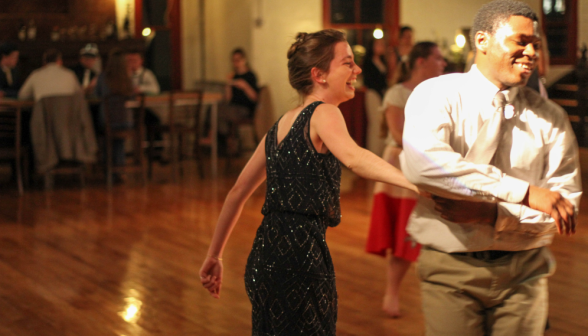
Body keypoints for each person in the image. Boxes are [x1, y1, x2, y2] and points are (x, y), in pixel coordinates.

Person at [199, 29, 420, 335]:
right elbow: (355, 158)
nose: (356, 70)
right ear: (319, 75)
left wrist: (214, 256)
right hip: (300, 258)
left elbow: (237, 193)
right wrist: (418, 183)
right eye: (347, 63)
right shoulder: (324, 113)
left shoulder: (280, 125)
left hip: (265, 255)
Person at [400, 1, 581, 335]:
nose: (531, 52)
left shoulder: (551, 117)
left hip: (525, 273)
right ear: (482, 41)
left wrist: (491, 216)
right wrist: (524, 194)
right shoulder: (436, 94)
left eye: (536, 46)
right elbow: (422, 164)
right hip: (449, 268)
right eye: (521, 41)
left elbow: (562, 204)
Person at [366, 41, 446, 318]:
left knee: (435, 231)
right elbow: (399, 134)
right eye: (437, 58)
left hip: (430, 163)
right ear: (420, 61)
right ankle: (392, 293)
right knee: (406, 230)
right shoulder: (398, 93)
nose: (443, 63)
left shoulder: (440, 93)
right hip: (402, 164)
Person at [95, 48, 135, 182]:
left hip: (107, 121)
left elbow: (96, 96)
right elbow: (133, 98)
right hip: (125, 121)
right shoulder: (126, 79)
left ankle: (109, 172)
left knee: (108, 142)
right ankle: (119, 171)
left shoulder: (102, 77)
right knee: (119, 143)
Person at [218, 48, 260, 154]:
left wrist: (245, 86)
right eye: (234, 60)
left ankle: (228, 140)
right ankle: (228, 140)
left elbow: (255, 98)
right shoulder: (234, 76)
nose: (236, 63)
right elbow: (228, 99)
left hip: (245, 109)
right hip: (234, 107)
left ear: (244, 60)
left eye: (238, 60)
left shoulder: (250, 75)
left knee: (219, 112)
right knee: (217, 109)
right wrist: (228, 85)